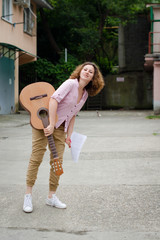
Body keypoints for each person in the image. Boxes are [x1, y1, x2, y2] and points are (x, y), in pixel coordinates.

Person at [23, 62, 105, 213]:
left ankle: (51, 197)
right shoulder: (70, 84)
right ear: (80, 71)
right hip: (44, 121)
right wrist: (51, 124)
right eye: (85, 69)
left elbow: (72, 114)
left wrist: (69, 135)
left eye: (91, 71)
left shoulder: (85, 94)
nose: (87, 72)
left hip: (60, 127)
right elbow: (54, 100)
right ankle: (28, 195)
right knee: (36, 157)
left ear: (94, 77)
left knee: (57, 161)